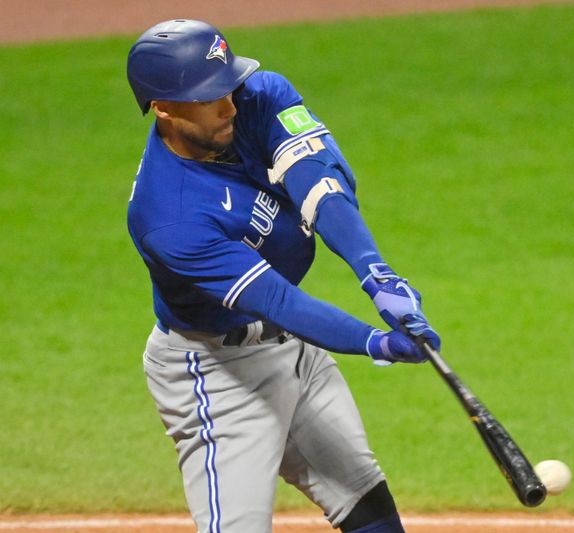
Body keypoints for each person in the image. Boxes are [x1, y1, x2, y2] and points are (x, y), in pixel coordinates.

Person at [125, 19, 441, 533]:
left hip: (294, 351)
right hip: (216, 374)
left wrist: (376, 274)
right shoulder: (169, 218)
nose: (228, 104)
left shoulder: (262, 96)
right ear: (164, 107)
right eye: (209, 97)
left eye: (227, 84)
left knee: (365, 500)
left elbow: (320, 187)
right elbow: (277, 299)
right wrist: (376, 342)